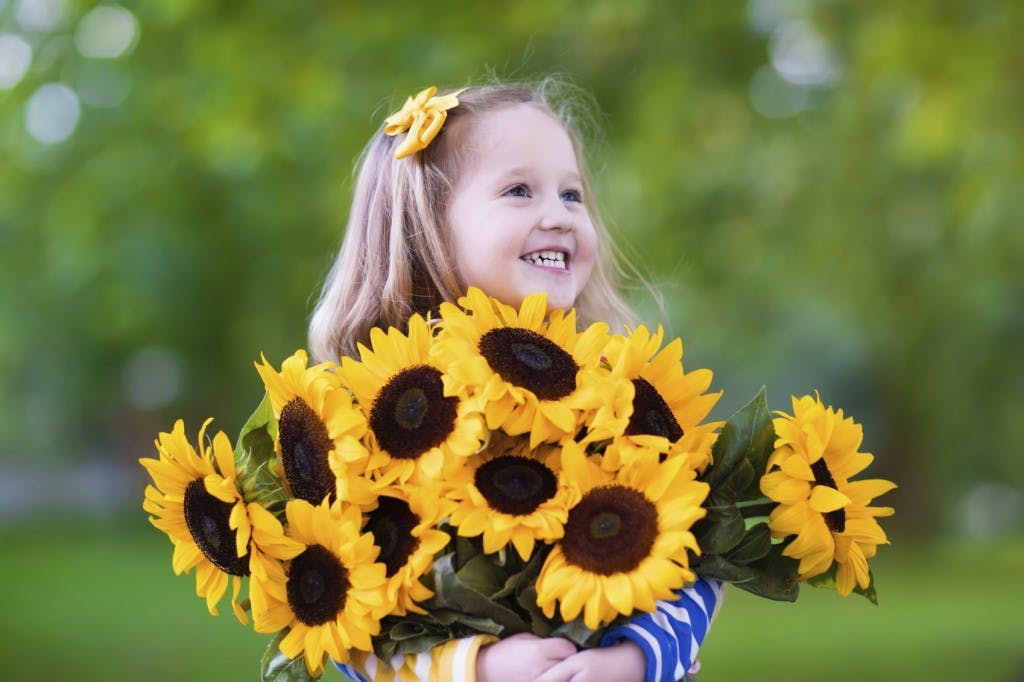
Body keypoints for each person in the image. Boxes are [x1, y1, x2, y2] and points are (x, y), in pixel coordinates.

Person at [308, 79, 723, 682]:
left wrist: (634, 660)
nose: (557, 215)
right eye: (519, 190)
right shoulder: (365, 427)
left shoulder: (622, 398)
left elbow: (696, 554)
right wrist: (473, 669)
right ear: (425, 225)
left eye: (572, 194)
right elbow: (337, 627)